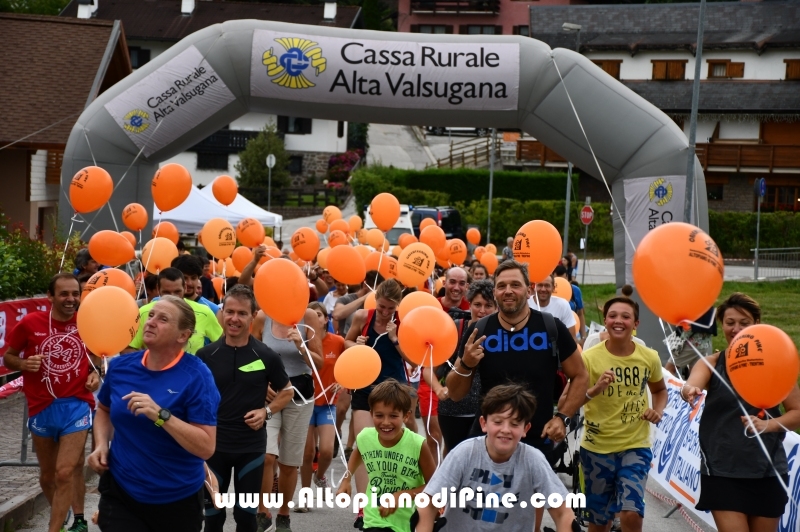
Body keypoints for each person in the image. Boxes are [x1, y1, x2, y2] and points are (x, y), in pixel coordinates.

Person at [446, 260, 588, 532]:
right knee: (482, 516)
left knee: (526, 518)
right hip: (488, 435)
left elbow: (580, 376)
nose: (508, 291)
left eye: (515, 285)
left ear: (530, 289)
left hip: (536, 437)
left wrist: (562, 417)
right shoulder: (481, 329)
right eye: (501, 286)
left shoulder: (550, 327)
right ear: (494, 291)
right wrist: (465, 363)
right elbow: (454, 392)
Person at [88, 296, 220, 532]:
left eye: (163, 319)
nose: (150, 322)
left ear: (183, 336)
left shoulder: (197, 376)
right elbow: (104, 410)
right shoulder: (121, 367)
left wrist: (161, 415)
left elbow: (206, 446)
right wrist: (101, 445)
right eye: (150, 315)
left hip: (177, 497)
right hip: (122, 491)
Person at [682, 293, 800, 532]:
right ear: (721, 326)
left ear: (757, 323)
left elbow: (797, 411)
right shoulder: (712, 363)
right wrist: (689, 389)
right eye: (729, 322)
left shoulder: (776, 364)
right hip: (722, 471)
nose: (736, 329)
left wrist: (770, 425)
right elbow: (692, 382)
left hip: (767, 470)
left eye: (744, 323)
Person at [4, 273, 100, 532]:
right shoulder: (30, 323)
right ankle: (66, 511)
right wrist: (24, 364)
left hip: (77, 404)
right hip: (41, 406)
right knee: (48, 476)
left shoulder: (86, 322)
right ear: (50, 297)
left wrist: (95, 373)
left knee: (65, 471)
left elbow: (96, 357)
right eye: (64, 294)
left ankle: (61, 526)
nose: (71, 299)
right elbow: (9, 358)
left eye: (75, 294)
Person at [197, 286, 293, 532]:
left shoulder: (266, 355)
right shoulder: (206, 354)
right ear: (222, 314)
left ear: (253, 316)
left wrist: (266, 412)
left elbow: (287, 391)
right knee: (213, 517)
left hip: (250, 447)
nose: (234, 319)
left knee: (246, 517)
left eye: (242, 313)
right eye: (229, 312)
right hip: (213, 447)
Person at [416, 384, 575, 532]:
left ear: (525, 428)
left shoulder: (533, 460)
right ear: (483, 423)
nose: (505, 430)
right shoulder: (464, 453)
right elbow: (428, 503)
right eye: (498, 422)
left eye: (514, 424)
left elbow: (563, 513)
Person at [579, 294, 667, 532]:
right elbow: (573, 397)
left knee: (631, 512)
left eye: (626, 317)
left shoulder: (649, 357)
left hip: (635, 446)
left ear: (635, 324)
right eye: (613, 316)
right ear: (605, 321)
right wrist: (596, 389)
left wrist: (657, 410)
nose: (619, 321)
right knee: (599, 523)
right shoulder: (589, 358)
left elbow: (659, 390)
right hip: (596, 448)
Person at [344, 279, 417, 529]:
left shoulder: (404, 323)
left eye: (391, 308)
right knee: (365, 445)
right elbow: (346, 342)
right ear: (376, 301)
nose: (386, 313)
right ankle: (364, 509)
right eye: (383, 307)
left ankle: (397, 502)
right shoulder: (362, 317)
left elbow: (413, 360)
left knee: (393, 450)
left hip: (394, 392)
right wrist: (356, 344)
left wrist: (395, 338)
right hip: (364, 387)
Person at [252, 303, 323, 532]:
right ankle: (262, 511)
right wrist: (260, 386)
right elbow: (249, 356)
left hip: (300, 394)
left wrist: (301, 345)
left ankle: (284, 515)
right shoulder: (263, 317)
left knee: (290, 462)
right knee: (267, 456)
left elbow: (319, 363)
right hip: (270, 394)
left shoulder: (309, 316)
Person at [337, 379, 436, 532]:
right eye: (379, 415)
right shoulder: (365, 437)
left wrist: (401, 495)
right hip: (374, 518)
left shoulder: (417, 444)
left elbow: (434, 485)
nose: (386, 422)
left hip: (407, 522)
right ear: (371, 414)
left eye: (393, 416)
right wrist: (346, 479)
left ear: (406, 416)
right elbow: (359, 453)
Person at [436, 279, 495, 454]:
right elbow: (429, 369)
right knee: (453, 455)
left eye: (488, 305)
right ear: (469, 304)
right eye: (477, 304)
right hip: (453, 409)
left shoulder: (501, 334)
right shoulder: (455, 328)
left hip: (487, 410)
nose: (482, 310)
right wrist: (439, 389)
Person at [298, 302, 345, 500]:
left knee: (326, 450)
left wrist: (343, 382)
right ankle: (305, 495)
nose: (316, 318)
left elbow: (350, 363)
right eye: (312, 314)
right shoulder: (300, 341)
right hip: (305, 402)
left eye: (320, 314)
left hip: (327, 403)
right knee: (307, 453)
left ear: (326, 319)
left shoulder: (338, 341)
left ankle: (320, 475)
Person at [128, 268, 223, 355]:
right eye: (167, 292)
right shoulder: (144, 312)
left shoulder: (204, 312)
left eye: (177, 292)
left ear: (185, 288)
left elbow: (222, 343)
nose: (172, 297)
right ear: (158, 289)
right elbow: (129, 348)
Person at [664, 306, 716, 379]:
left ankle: (667, 389)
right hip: (704, 344)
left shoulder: (694, 304)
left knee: (668, 370)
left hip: (690, 343)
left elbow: (688, 328)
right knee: (694, 375)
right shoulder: (707, 302)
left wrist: (678, 338)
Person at [332, 270, 384, 337]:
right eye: (377, 290)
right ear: (365, 285)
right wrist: (364, 298)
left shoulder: (376, 303)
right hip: (346, 343)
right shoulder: (346, 299)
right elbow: (336, 315)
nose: (378, 294)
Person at [554, 265, 585, 340]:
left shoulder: (575, 290)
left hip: (573, 330)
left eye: (563, 279)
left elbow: (580, 314)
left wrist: (583, 336)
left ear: (567, 277)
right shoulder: (549, 291)